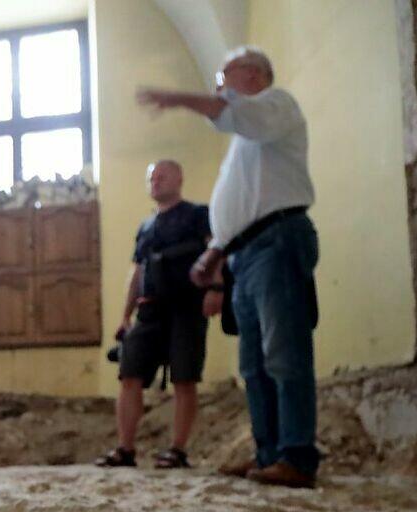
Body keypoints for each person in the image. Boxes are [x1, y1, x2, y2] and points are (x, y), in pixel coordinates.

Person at [137, 46, 320, 489]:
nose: (219, 86)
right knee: (254, 363)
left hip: (276, 241)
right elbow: (242, 205)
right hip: (244, 252)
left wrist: (179, 99)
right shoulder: (245, 143)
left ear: (254, 75)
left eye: (225, 76)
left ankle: (297, 455)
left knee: (284, 352)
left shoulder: (276, 106)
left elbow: (230, 114)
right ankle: (268, 453)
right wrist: (214, 254)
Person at [96, 160, 218, 470]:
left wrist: (216, 289)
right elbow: (138, 271)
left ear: (179, 179)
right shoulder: (146, 226)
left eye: (162, 176)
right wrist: (125, 315)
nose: (155, 181)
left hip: (187, 308)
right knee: (129, 374)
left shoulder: (198, 215)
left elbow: (214, 253)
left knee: (184, 378)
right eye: (151, 177)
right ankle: (125, 449)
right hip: (148, 311)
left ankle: (177, 450)